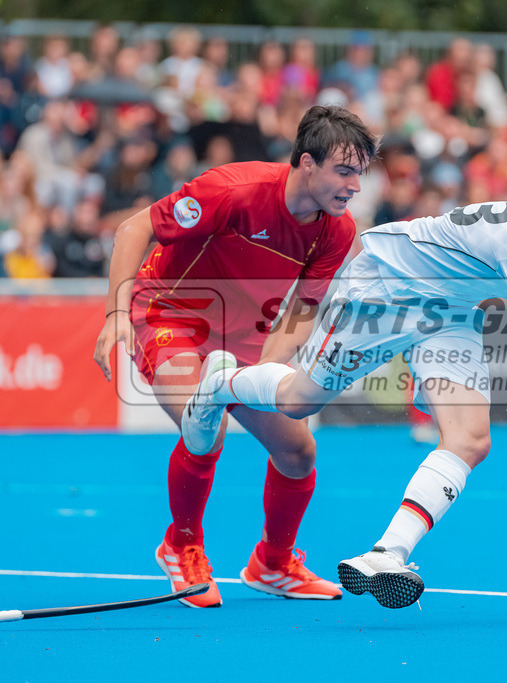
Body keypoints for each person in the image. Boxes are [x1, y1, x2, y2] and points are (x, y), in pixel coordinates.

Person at [180, 193, 507, 609]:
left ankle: (386, 553)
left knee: (470, 440)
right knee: (297, 402)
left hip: (451, 312)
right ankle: (223, 381)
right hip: (385, 290)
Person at [92, 105, 378, 607]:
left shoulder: (336, 230)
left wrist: (268, 369)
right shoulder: (232, 190)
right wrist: (116, 314)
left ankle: (273, 563)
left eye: (360, 173)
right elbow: (133, 229)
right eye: (343, 171)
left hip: (244, 339)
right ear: (306, 163)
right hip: (169, 313)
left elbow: (302, 310)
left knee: (298, 451)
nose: (355, 186)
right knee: (205, 422)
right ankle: (180, 547)